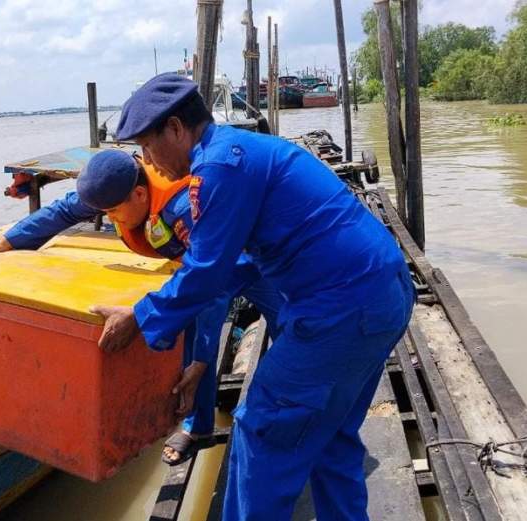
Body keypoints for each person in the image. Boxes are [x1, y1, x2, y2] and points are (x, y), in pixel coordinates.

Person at [90, 73, 415, 520]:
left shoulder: (219, 167)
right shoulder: (237, 152)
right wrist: (190, 347)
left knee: (261, 431)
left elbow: (206, 270)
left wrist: (141, 317)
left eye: (147, 146)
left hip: (341, 309)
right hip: (382, 293)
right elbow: (236, 267)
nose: (148, 162)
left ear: (176, 129)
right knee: (331, 437)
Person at [0, 149, 283, 465]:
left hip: (252, 259)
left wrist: (202, 362)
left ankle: (286, 420)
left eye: (113, 212)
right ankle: (198, 427)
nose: (110, 219)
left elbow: (212, 283)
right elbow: (65, 210)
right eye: (104, 213)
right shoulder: (115, 186)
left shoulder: (183, 206)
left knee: (289, 334)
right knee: (190, 333)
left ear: (139, 194)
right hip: (202, 267)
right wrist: (9, 241)